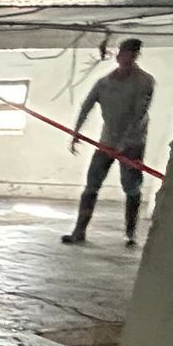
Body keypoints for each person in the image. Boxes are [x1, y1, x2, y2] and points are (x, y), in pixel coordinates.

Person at [63, 38, 154, 247]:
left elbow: (139, 114)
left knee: (131, 187)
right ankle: (79, 231)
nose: (127, 59)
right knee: (91, 185)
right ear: (118, 55)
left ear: (136, 56)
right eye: (125, 54)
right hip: (107, 142)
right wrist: (76, 133)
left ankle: (131, 233)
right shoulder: (105, 83)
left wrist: (126, 143)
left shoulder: (144, 82)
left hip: (132, 144)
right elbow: (86, 106)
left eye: (132, 55)